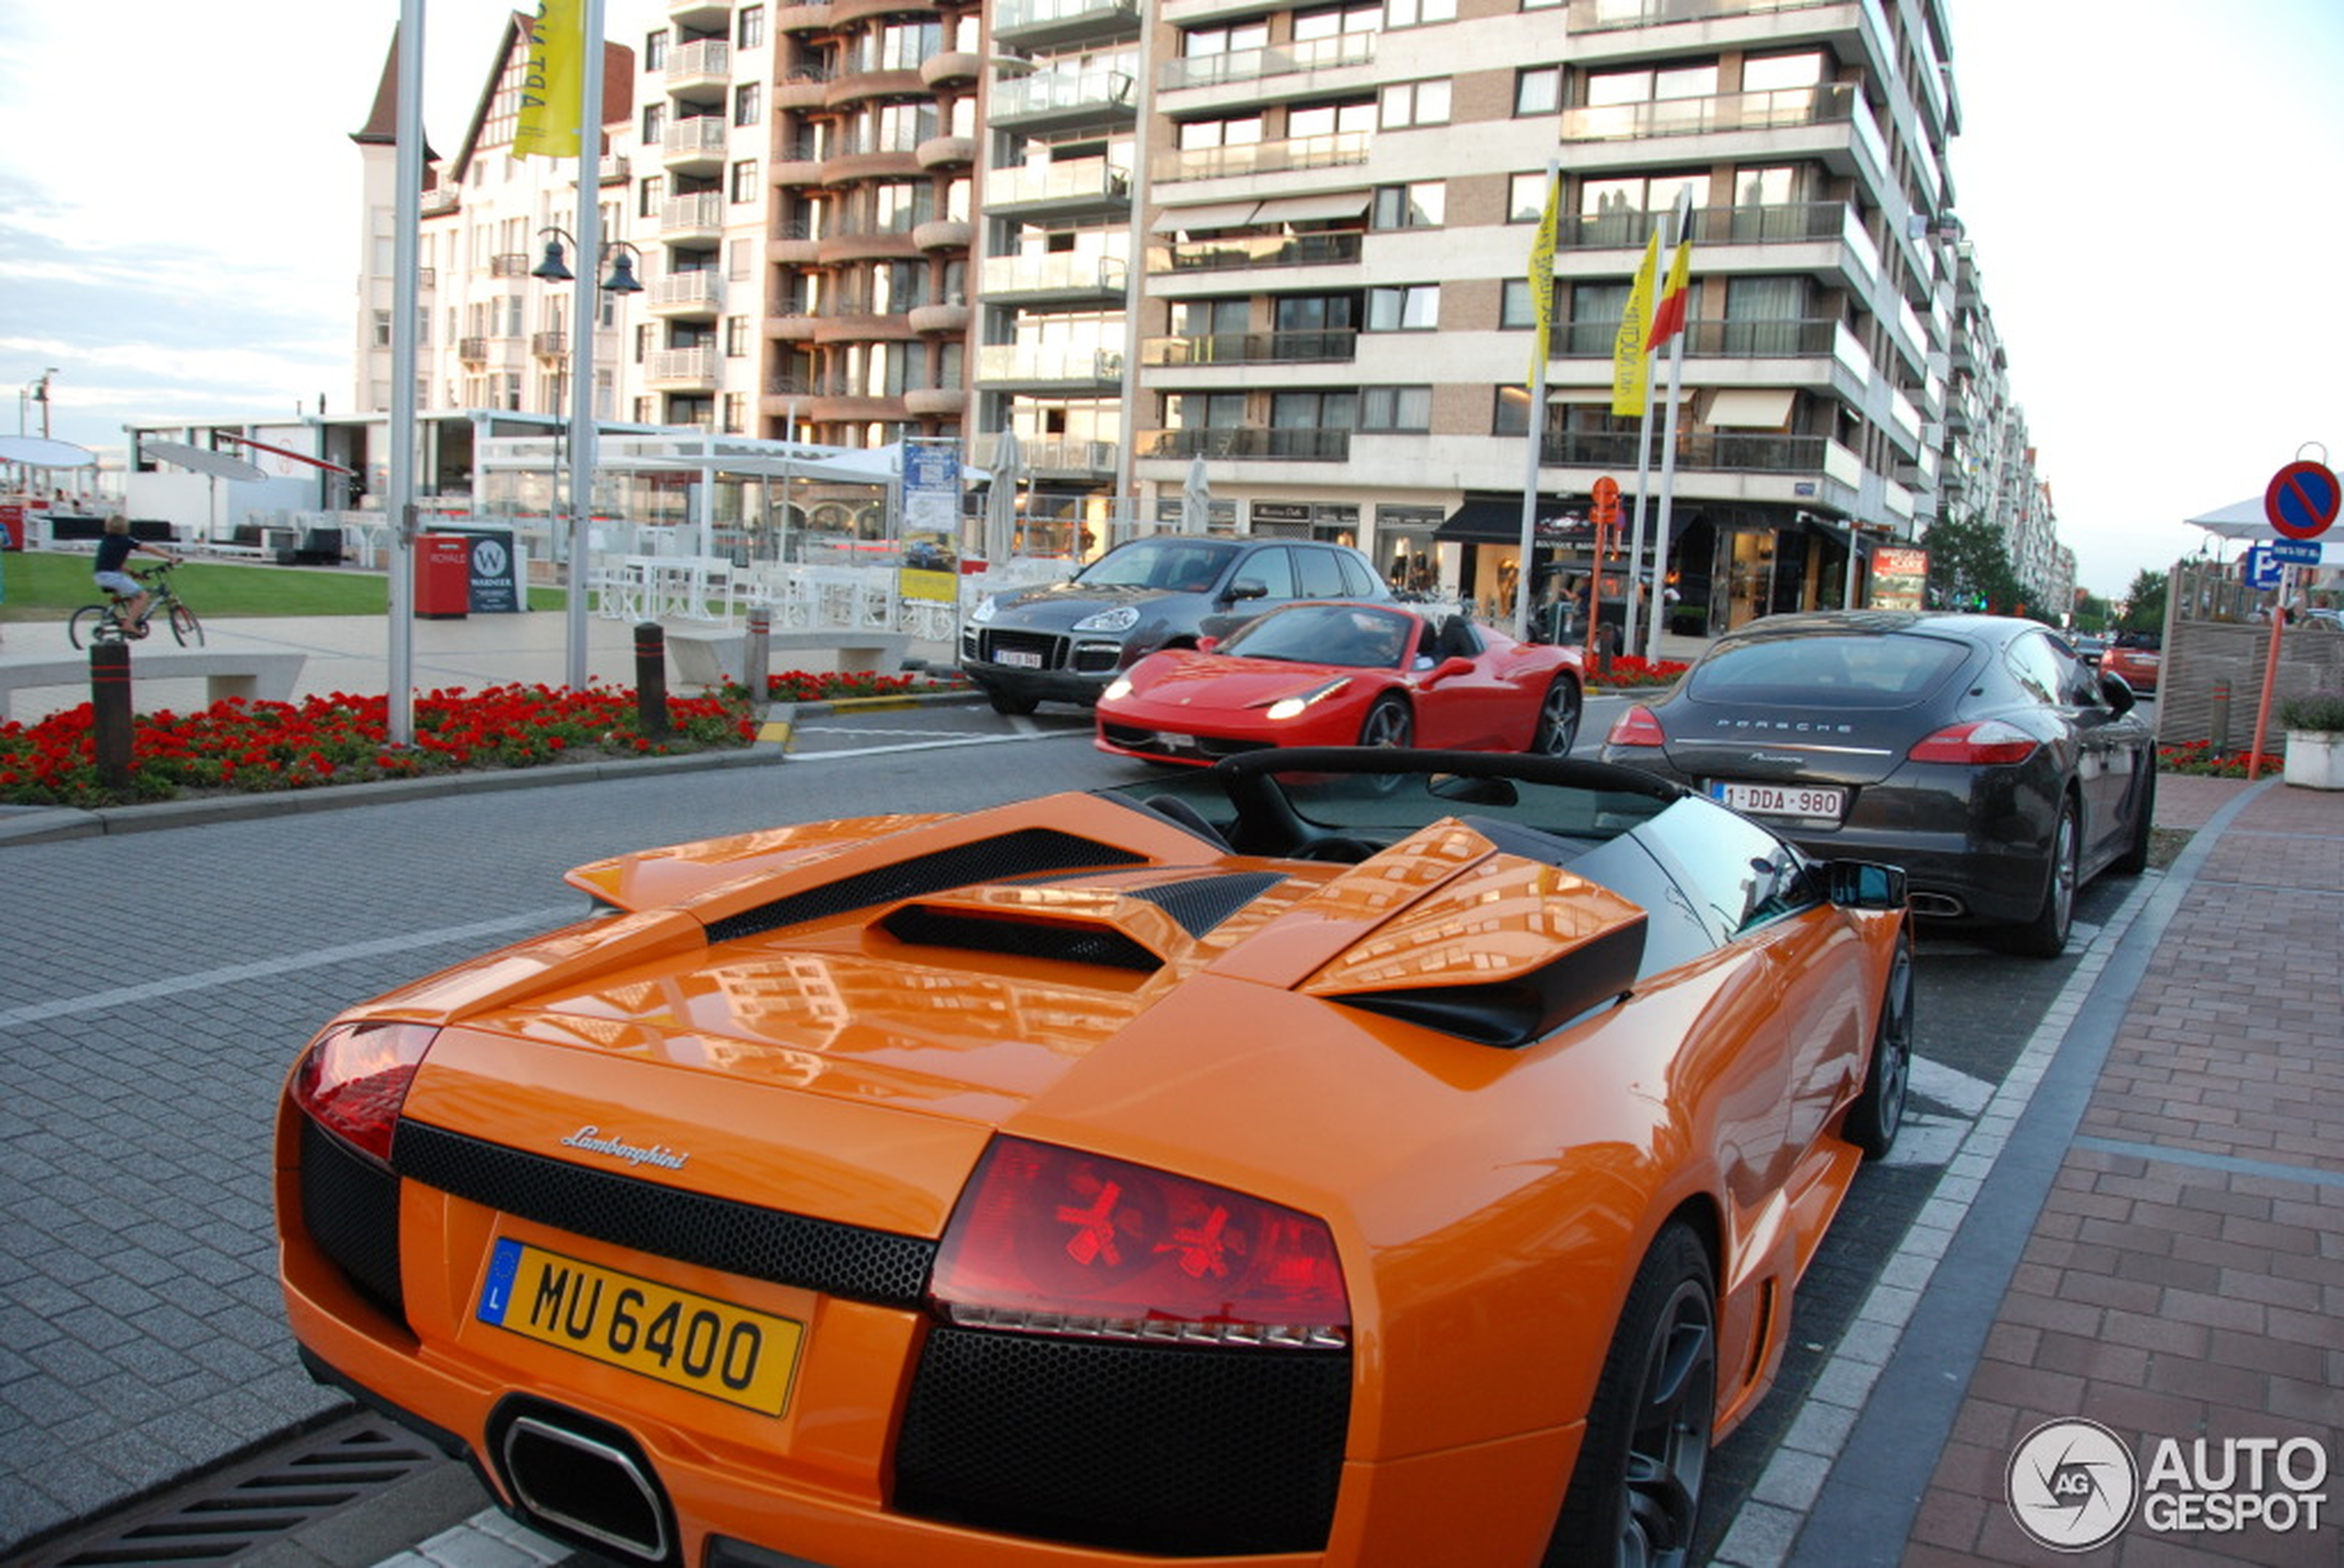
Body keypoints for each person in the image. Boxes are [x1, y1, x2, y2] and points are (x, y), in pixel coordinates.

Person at [93, 517, 181, 637]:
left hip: (101, 575)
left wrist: (133, 572)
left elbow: (114, 563)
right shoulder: (126, 540)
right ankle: (129, 625)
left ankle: (132, 620)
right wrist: (171, 557)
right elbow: (150, 548)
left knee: (132, 596)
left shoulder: (106, 540)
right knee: (143, 595)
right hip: (112, 576)